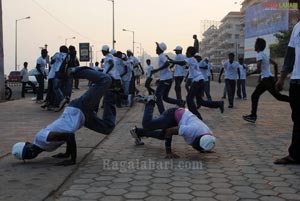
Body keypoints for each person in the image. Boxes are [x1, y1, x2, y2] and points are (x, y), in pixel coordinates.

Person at [12, 67, 116, 166]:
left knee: (105, 80)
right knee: (107, 128)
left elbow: (69, 136)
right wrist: (67, 154)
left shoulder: (41, 139)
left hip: (78, 109)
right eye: (27, 156)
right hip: (81, 117)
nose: (31, 154)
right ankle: (111, 94)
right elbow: (65, 137)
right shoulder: (45, 147)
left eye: (28, 151)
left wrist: (72, 160)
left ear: (28, 143)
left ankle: (75, 71)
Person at [131, 95, 216, 158]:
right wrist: (169, 152)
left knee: (162, 136)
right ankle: (150, 101)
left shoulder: (209, 136)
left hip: (181, 117)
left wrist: (206, 148)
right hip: (173, 115)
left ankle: (138, 132)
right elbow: (170, 131)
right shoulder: (191, 130)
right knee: (147, 124)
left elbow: (202, 143)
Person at [243, 38, 289, 123]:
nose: (254, 46)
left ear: (258, 46)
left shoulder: (260, 55)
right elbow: (275, 64)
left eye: (255, 44)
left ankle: (253, 116)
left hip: (266, 80)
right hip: (268, 79)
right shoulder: (265, 55)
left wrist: (249, 74)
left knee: (257, 96)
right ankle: (253, 116)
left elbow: (259, 70)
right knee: (277, 96)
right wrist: (275, 77)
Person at [170, 47, 223, 120]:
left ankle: (197, 117)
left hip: (198, 81)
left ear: (190, 53)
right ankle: (218, 104)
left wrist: (172, 62)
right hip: (200, 80)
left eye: (186, 52)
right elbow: (184, 65)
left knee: (189, 99)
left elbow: (182, 63)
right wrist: (172, 61)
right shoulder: (192, 60)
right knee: (200, 101)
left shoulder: (191, 59)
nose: (185, 53)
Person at [274, 18, 300, 165]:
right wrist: (282, 78)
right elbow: (290, 56)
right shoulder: (297, 27)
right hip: (296, 81)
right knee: (297, 119)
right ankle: (295, 155)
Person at [151, 42, 185, 114]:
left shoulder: (161, 56)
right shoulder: (162, 56)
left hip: (166, 79)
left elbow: (166, 64)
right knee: (165, 97)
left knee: (157, 96)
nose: (155, 49)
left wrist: (156, 70)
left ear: (160, 49)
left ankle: (162, 114)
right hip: (167, 78)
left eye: (157, 48)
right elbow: (168, 65)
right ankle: (180, 102)